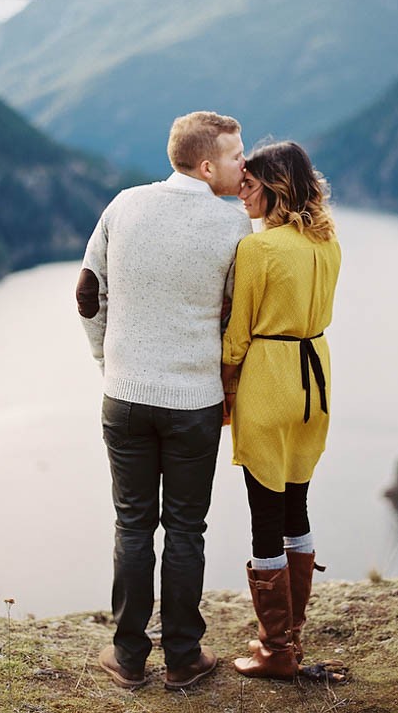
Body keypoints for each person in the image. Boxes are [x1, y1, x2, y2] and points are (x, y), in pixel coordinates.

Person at [76, 111, 251, 690]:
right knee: (185, 529)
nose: (243, 163)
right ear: (207, 165)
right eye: (235, 155)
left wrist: (110, 364)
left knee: (132, 525)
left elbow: (88, 294)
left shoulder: (123, 205)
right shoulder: (232, 230)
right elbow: (236, 323)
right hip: (194, 404)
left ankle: (127, 659)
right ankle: (182, 659)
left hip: (123, 397)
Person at [221, 141, 343, 680]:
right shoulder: (327, 243)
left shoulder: (259, 250)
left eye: (250, 182)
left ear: (275, 187)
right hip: (315, 380)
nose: (241, 190)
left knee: (264, 517)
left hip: (270, 381)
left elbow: (236, 339)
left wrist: (222, 390)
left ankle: (275, 650)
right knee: (297, 506)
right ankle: (290, 635)